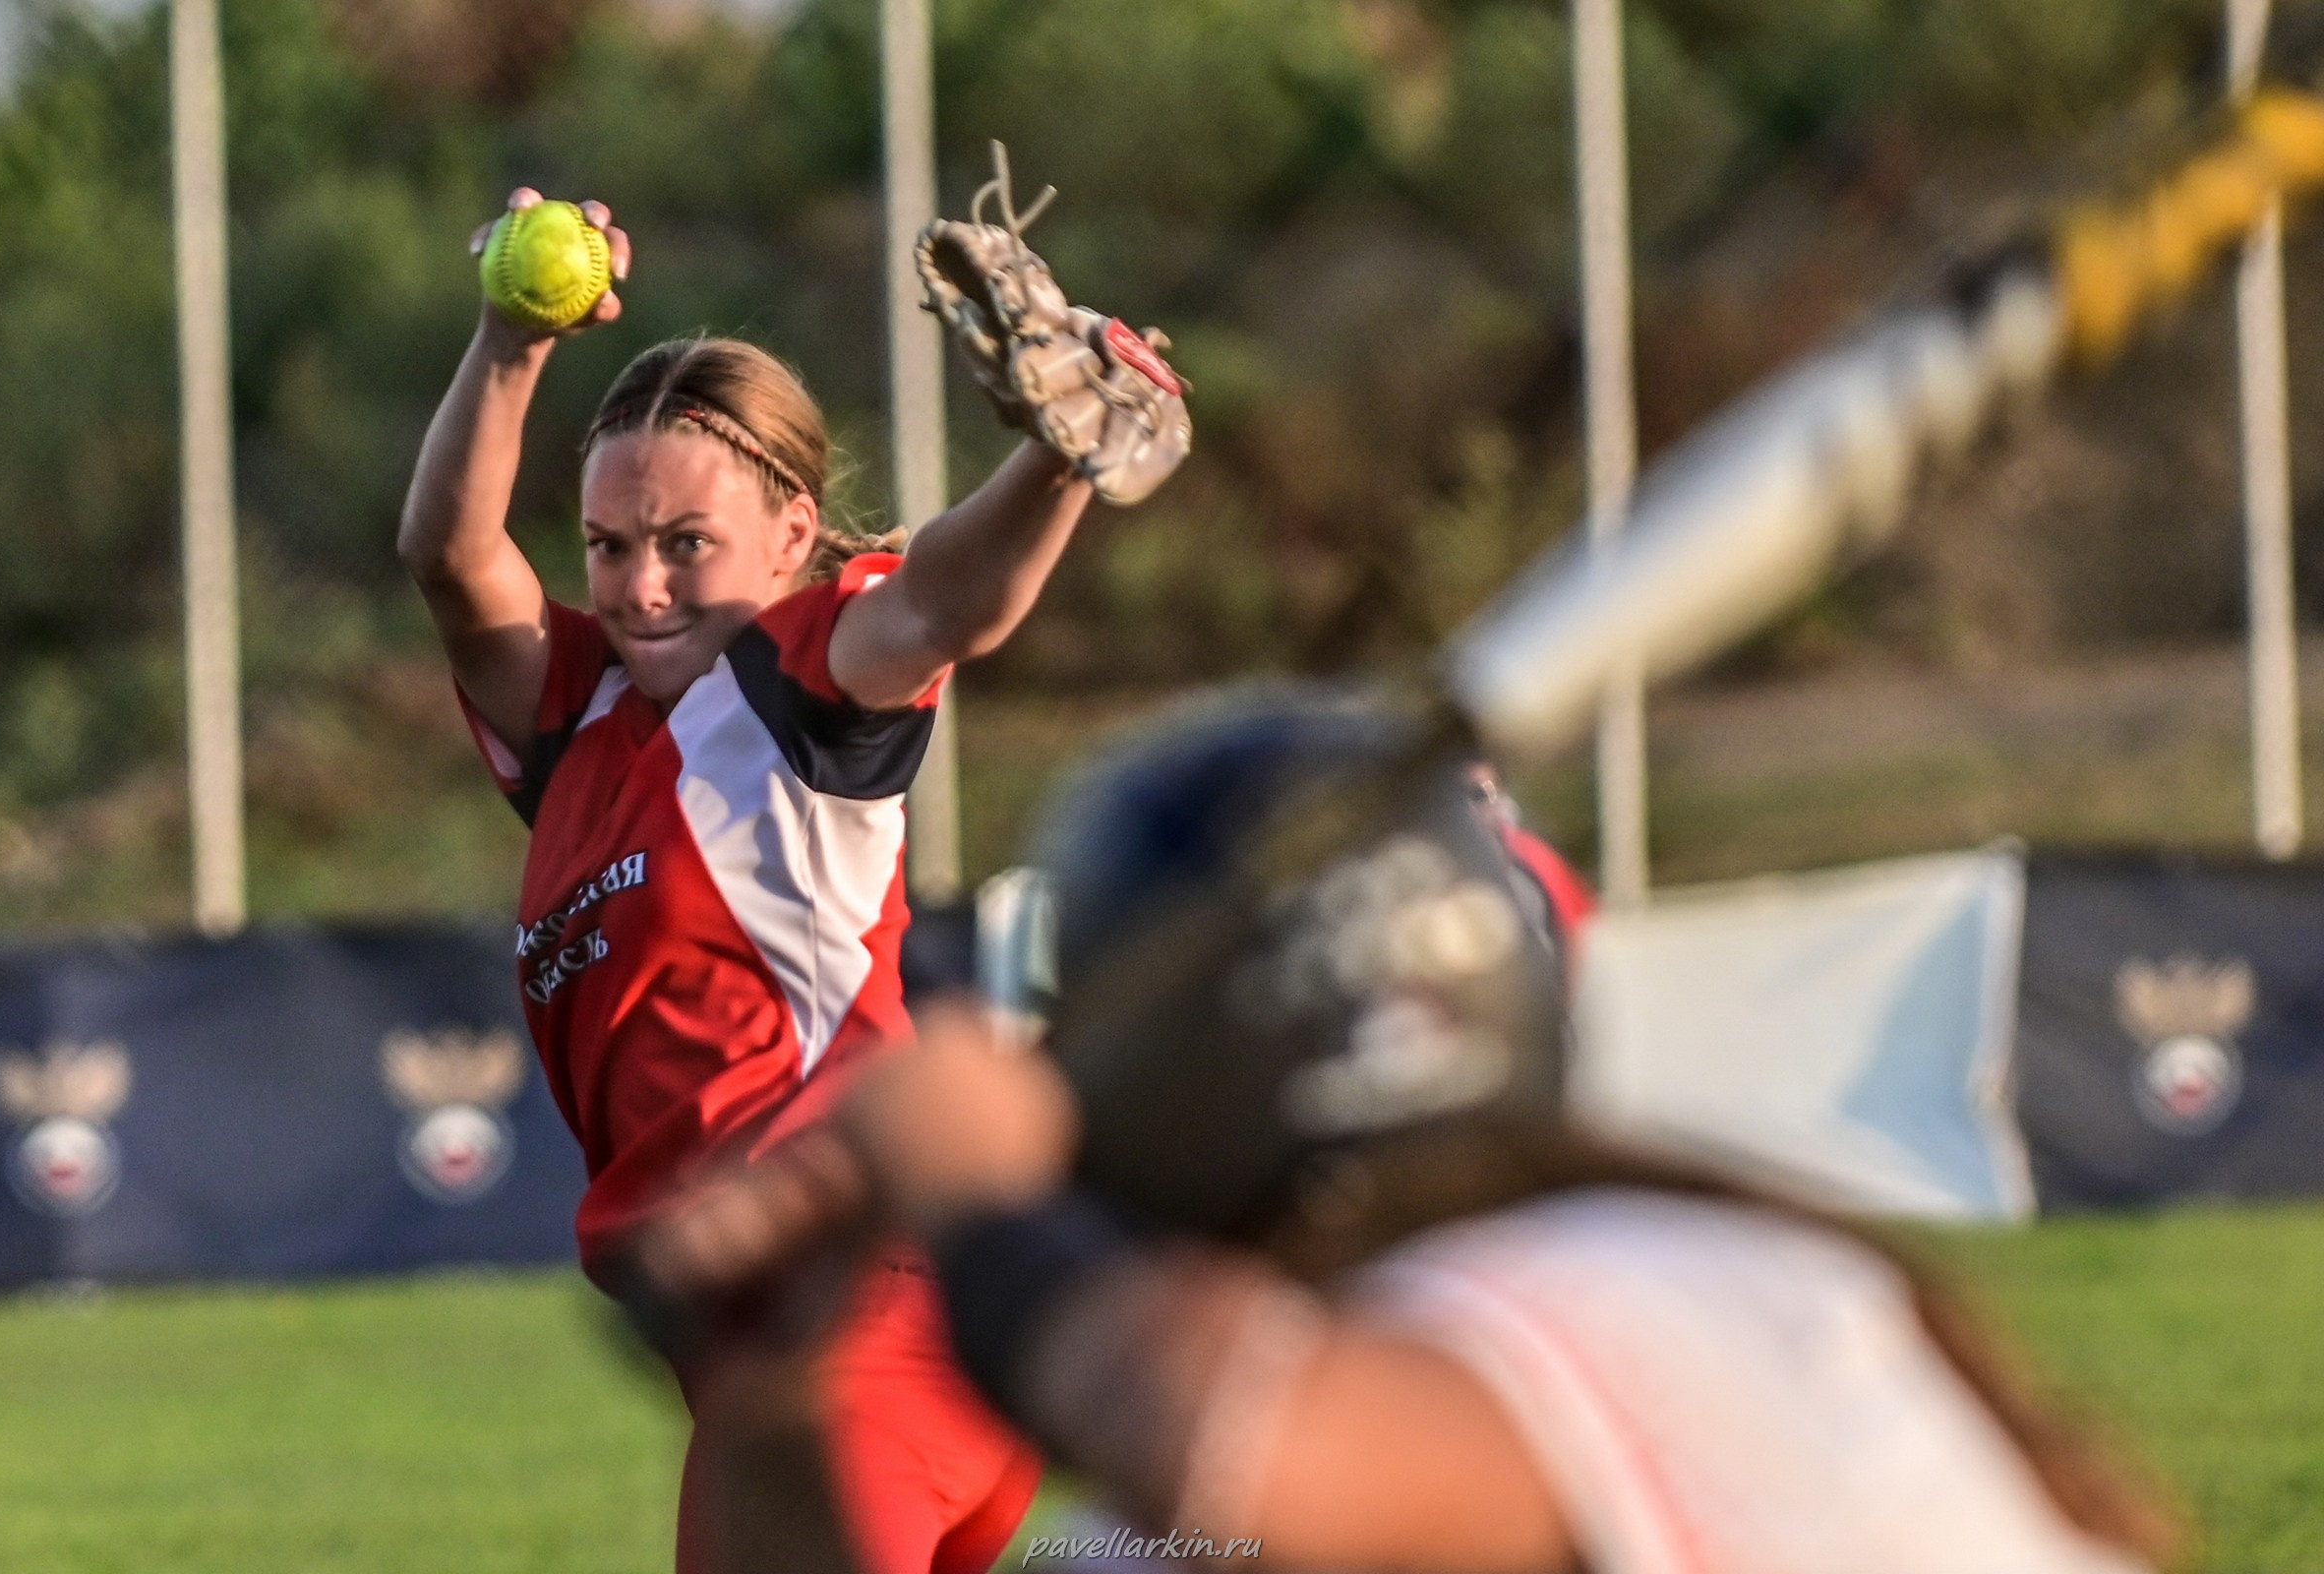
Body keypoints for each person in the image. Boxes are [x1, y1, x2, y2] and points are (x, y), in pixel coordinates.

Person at [617, 690, 2179, 1574]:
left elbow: (1231, 1432)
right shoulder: (1198, 1518)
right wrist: (774, 1406)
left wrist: (966, 1196)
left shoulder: (1664, 1285)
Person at [398, 185, 1181, 1574]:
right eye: (608, 546)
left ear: (791, 533)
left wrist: (1063, 453)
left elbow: (952, 601)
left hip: (864, 1331)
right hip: (811, 1352)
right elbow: (453, 561)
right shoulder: (577, 717)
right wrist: (511, 341)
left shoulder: (797, 681)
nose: (641, 587)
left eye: (686, 543)